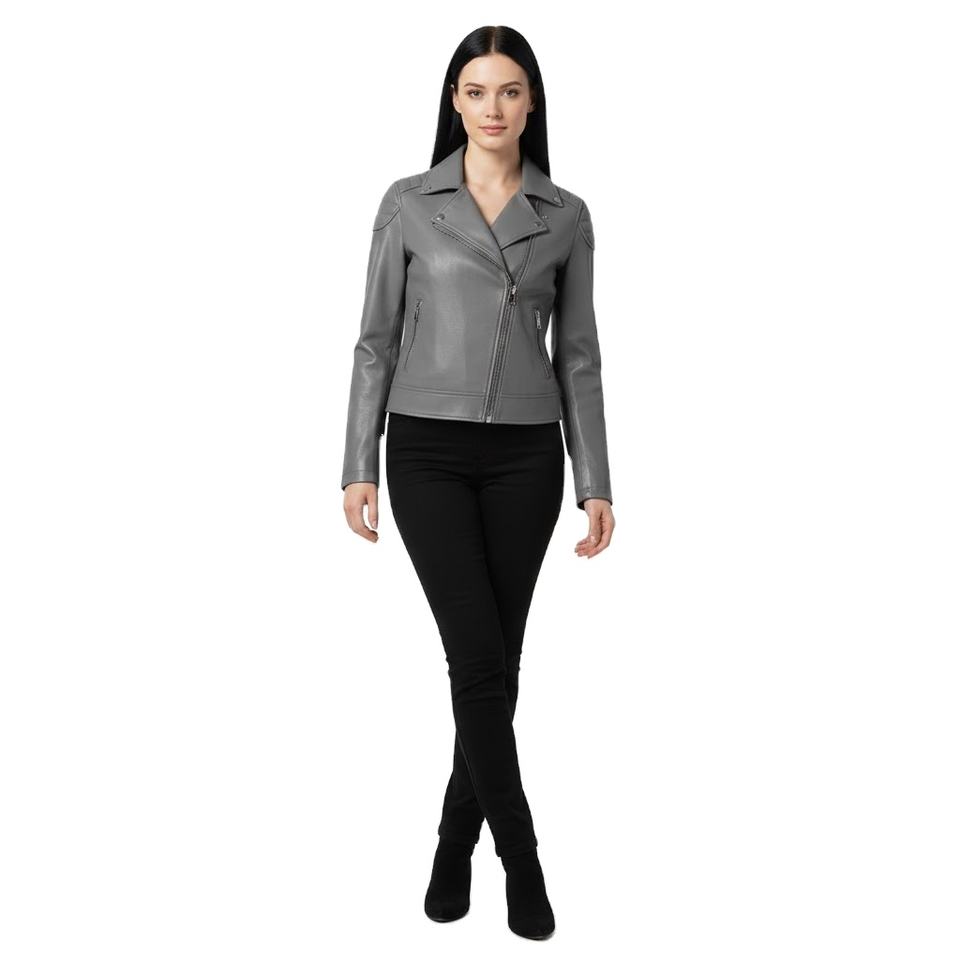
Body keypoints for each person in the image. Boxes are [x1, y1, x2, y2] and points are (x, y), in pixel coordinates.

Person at [340, 25, 615, 941]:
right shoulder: (409, 203)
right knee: (477, 660)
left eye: (509, 91)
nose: (491, 108)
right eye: (475, 91)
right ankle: (523, 861)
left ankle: (453, 845)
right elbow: (374, 340)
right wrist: (359, 462)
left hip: (528, 459)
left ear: (531, 103)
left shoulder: (565, 215)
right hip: (425, 451)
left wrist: (595, 479)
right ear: (453, 102)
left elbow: (579, 355)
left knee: (498, 663)